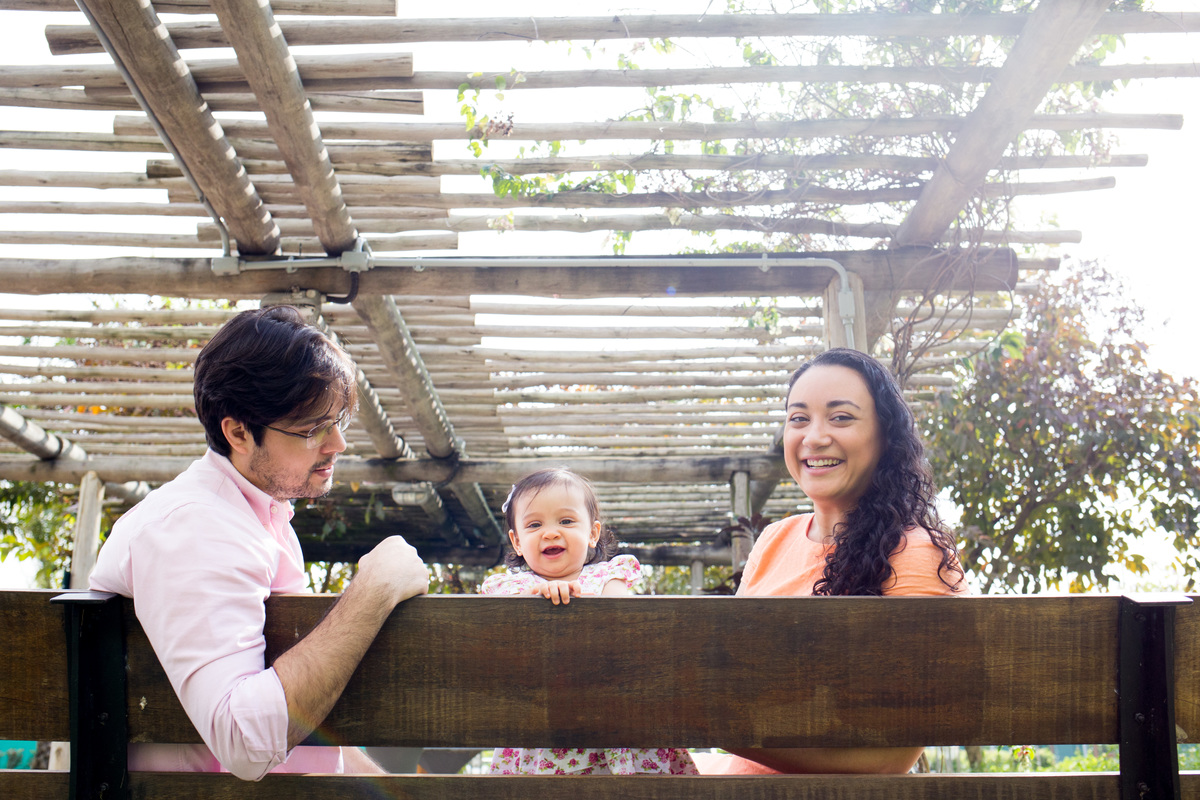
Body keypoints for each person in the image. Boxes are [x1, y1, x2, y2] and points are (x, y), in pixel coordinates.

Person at [89, 305, 429, 780]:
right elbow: (245, 743)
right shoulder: (194, 530)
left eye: (337, 422)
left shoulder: (254, 518)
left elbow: (308, 733)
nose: (338, 444)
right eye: (313, 429)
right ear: (238, 432)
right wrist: (375, 588)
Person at [697, 347, 965, 776]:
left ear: (885, 436)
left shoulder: (915, 553)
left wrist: (723, 726)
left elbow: (888, 760)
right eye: (798, 418)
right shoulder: (773, 540)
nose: (814, 437)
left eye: (841, 417)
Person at [480, 467, 697, 775]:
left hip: (617, 721)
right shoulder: (510, 590)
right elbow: (500, 639)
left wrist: (579, 607)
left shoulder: (608, 577)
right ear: (516, 542)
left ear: (592, 533)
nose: (551, 532)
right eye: (534, 524)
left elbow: (629, 624)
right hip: (545, 730)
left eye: (566, 521)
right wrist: (535, 602)